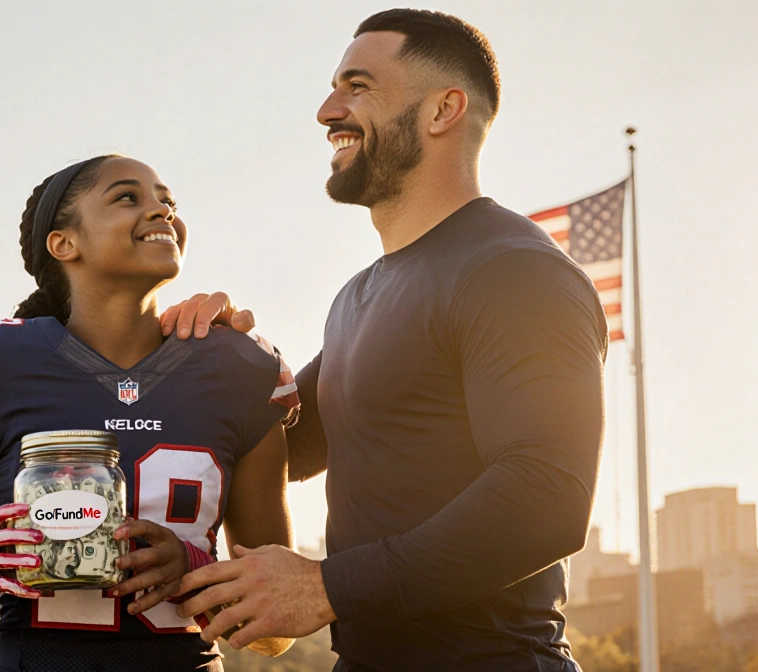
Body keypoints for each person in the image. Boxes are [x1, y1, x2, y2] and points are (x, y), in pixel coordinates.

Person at [166, 9, 607, 672]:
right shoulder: (359, 295)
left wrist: (324, 587)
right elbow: (280, 445)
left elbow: (548, 496)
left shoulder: (514, 270)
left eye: (358, 87)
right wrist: (220, 361)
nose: (325, 110)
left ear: (443, 110)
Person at [0, 155, 298, 672]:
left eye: (168, 201)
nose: (161, 211)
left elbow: (275, 633)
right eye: (129, 197)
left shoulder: (241, 367)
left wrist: (192, 570)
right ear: (64, 243)